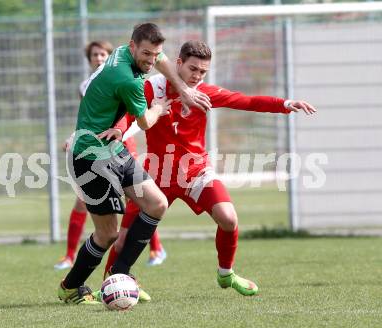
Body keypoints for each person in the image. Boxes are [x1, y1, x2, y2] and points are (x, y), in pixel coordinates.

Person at [102, 40, 317, 298]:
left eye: (203, 72)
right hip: (158, 174)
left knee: (228, 218)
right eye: (193, 69)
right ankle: (112, 285)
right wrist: (119, 128)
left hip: (196, 171)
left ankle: (226, 273)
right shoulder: (153, 87)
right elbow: (130, 112)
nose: (197, 76)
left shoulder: (204, 93)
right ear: (178, 63)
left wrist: (284, 104)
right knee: (123, 238)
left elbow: (245, 101)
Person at [57, 24, 212, 305]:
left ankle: (121, 275)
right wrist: (159, 108)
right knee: (108, 234)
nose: (151, 61)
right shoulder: (127, 79)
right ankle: (70, 287)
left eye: (154, 54)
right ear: (131, 46)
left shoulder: (125, 53)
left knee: (157, 204)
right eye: (145, 54)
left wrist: (183, 91)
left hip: (112, 149)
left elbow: (163, 60)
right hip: (89, 158)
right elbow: (144, 122)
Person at [54, 40, 167, 271]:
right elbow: (92, 118)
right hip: (95, 152)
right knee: (90, 207)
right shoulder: (87, 85)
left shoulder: (127, 77)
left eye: (102, 54)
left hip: (120, 147)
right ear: (89, 59)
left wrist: (124, 129)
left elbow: (136, 118)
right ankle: (70, 257)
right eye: (95, 55)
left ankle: (154, 249)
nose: (99, 58)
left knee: (142, 201)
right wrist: (74, 137)